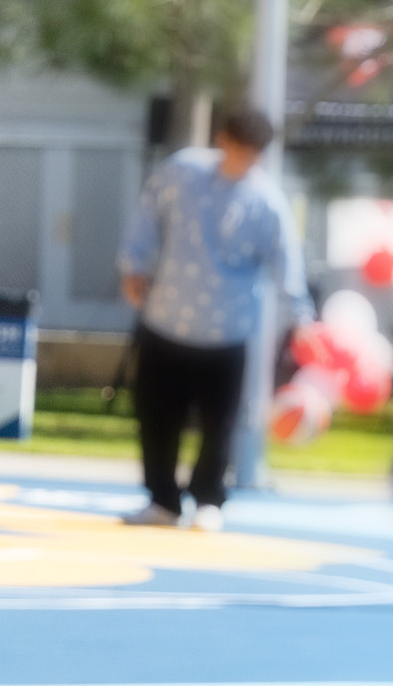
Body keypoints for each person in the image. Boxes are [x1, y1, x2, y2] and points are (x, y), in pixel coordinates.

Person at [116, 106, 310, 531]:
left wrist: (301, 315)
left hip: (227, 331)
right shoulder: (181, 172)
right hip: (165, 319)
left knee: (219, 423)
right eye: (239, 148)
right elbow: (147, 216)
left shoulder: (266, 201)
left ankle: (208, 499)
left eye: (254, 153)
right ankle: (162, 499)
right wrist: (133, 265)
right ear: (222, 140)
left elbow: (286, 260)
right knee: (155, 414)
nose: (245, 159)